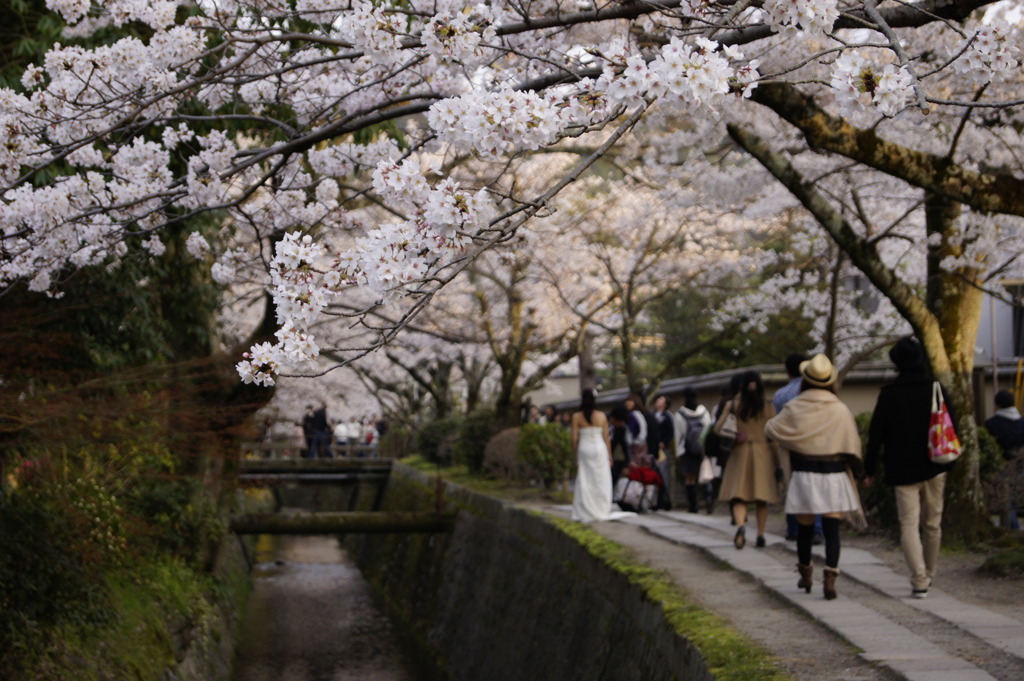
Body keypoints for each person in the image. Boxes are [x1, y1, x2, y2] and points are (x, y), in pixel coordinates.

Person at [765, 354, 863, 600]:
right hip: (834, 474)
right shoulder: (839, 408)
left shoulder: (795, 406)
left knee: (805, 529)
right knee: (832, 530)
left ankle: (806, 574)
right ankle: (830, 578)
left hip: (804, 472)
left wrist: (798, 439)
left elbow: (771, 428)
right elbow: (852, 445)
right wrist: (861, 473)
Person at [865, 337, 956, 599]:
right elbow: (952, 424)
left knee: (908, 524)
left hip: (901, 467)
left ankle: (918, 579)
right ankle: (929, 572)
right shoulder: (936, 388)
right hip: (935, 464)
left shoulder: (889, 394)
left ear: (896, 363)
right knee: (932, 523)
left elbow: (876, 436)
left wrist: (869, 469)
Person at [715, 370, 780, 549]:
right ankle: (760, 534)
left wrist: (735, 431)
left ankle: (741, 526)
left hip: (739, 453)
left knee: (739, 496)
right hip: (762, 453)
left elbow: (718, 428)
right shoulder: (768, 407)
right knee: (762, 498)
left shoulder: (734, 405)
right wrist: (777, 462)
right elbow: (773, 437)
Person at [774, 353, 823, 545]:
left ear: (787, 371)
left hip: (789, 446)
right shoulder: (814, 392)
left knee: (792, 486)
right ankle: (816, 529)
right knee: (815, 488)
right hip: (814, 444)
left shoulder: (780, 395)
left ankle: (793, 528)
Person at [571, 389, 632, 522]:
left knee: (585, 477)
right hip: (599, 448)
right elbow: (606, 437)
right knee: (600, 478)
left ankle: (585, 508)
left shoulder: (576, 416)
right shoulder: (601, 416)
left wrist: (575, 454)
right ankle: (600, 507)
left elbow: (574, 438)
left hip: (584, 448)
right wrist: (609, 454)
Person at [983, 390, 1024, 530]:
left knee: (1005, 498)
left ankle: (1011, 526)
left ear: (997, 404)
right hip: (1020, 464)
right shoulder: (1021, 423)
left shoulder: (992, 424)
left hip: (1001, 464)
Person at [677, 387, 713, 513]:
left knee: (689, 478)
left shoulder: (680, 414)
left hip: (687, 449)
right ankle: (709, 501)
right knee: (705, 475)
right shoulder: (704, 412)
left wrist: (679, 452)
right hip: (702, 448)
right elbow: (708, 430)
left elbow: (679, 434)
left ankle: (693, 506)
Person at [623, 393, 650, 465]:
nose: (627, 403)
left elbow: (631, 431)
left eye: (630, 401)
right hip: (643, 444)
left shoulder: (632, 415)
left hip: (635, 445)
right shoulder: (639, 414)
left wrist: (629, 442)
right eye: (626, 401)